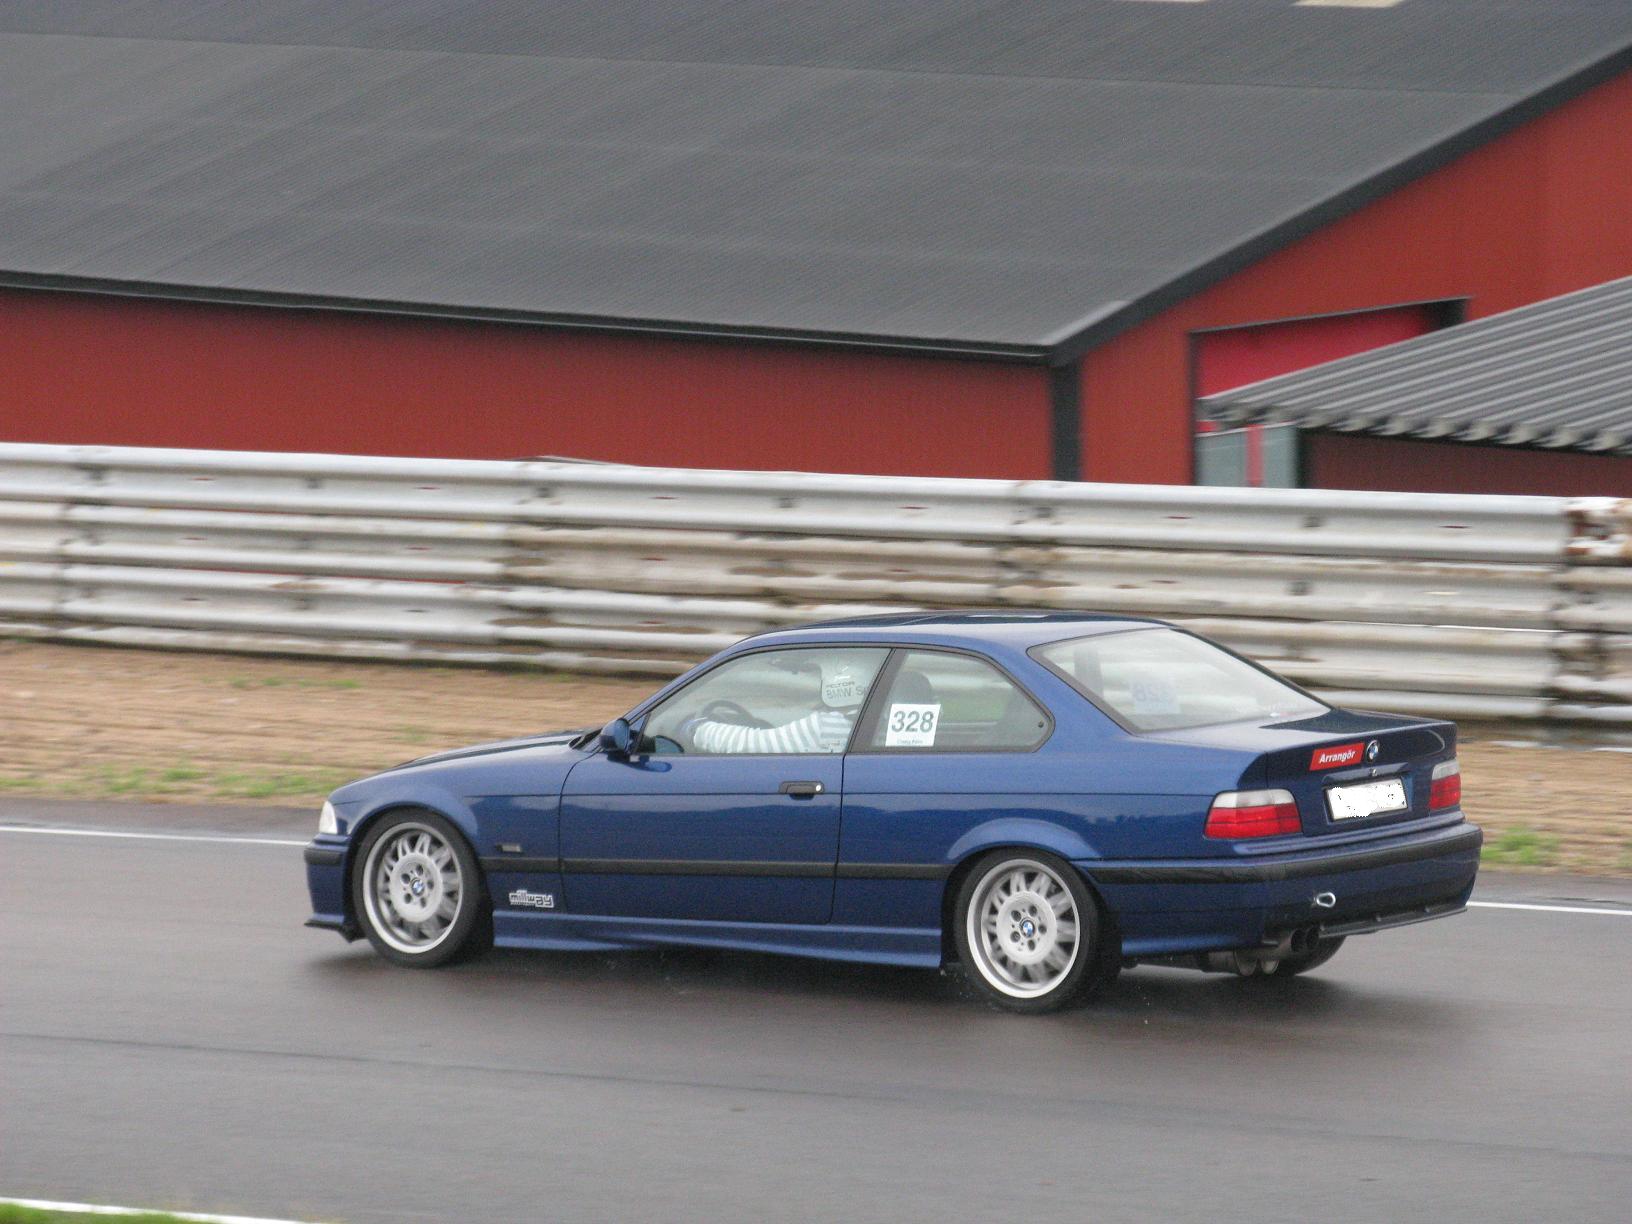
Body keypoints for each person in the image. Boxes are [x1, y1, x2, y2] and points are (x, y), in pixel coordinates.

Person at [681, 656, 870, 754]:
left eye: (819, 675)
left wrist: (696, 729)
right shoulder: (880, 721)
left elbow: (749, 744)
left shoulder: (828, 727)